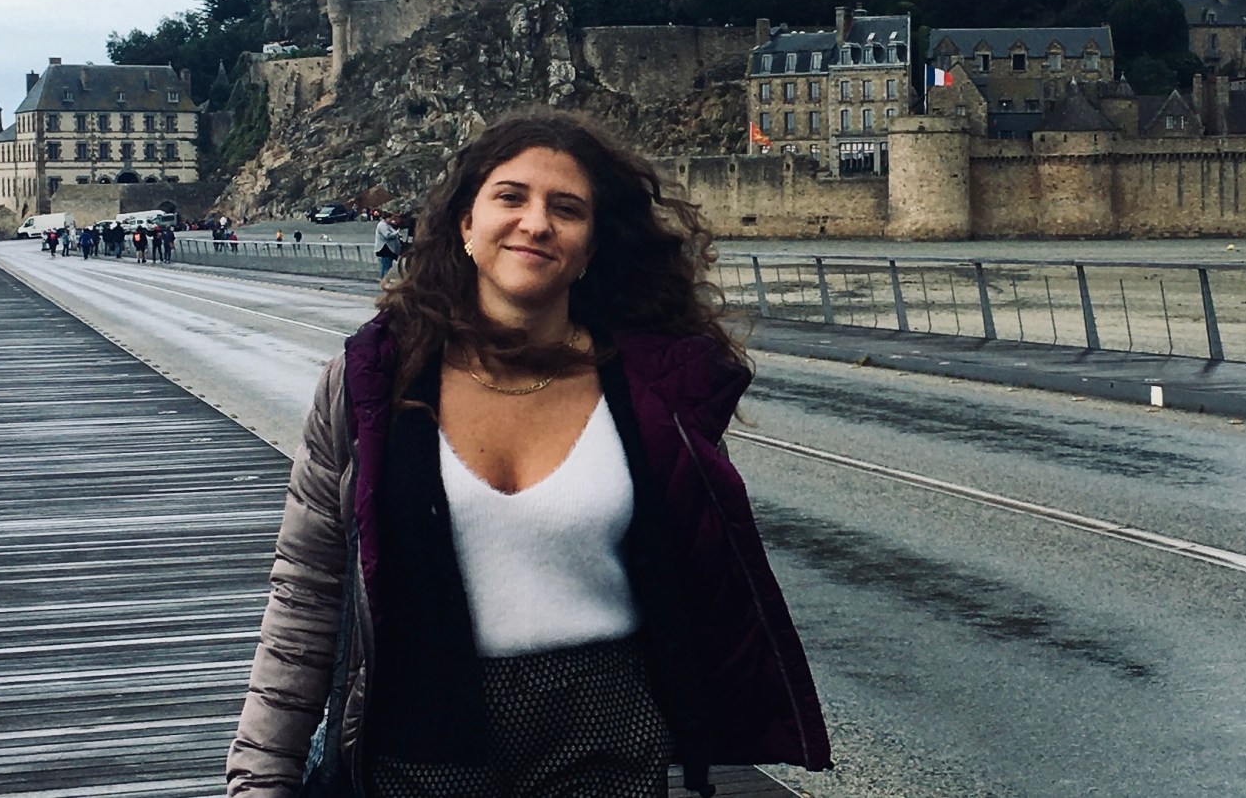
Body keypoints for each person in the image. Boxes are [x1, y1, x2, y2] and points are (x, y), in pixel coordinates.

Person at [228, 110, 829, 798]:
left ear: (592, 245)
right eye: (510, 197)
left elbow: (706, 577)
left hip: (605, 738)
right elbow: (306, 595)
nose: (536, 223)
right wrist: (259, 778)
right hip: (415, 737)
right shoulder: (373, 380)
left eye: (566, 208)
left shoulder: (655, 396)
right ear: (465, 224)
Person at [374, 211, 406, 279]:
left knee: (386, 265)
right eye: (391, 218)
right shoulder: (382, 225)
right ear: (387, 218)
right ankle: (384, 280)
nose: (392, 220)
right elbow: (387, 235)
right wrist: (396, 233)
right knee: (386, 266)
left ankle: (383, 279)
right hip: (386, 248)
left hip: (388, 249)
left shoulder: (387, 225)